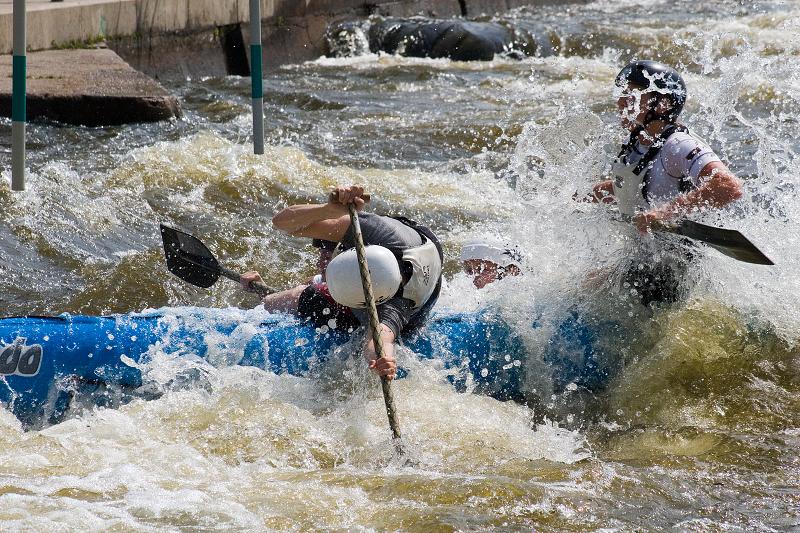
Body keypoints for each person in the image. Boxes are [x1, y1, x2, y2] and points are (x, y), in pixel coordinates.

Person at [240, 184, 444, 380]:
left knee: (281, 301)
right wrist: (327, 210)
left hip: (413, 307)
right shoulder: (376, 230)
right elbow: (281, 223)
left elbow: (379, 340)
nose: (324, 262)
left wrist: (383, 362)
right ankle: (273, 289)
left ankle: (268, 295)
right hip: (412, 249)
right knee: (317, 275)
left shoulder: (393, 308)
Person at [589, 60, 743, 305]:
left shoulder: (678, 145)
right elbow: (646, 186)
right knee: (582, 290)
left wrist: (667, 212)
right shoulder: (638, 143)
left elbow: (727, 186)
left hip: (677, 269)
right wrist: (597, 193)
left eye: (632, 95)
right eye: (622, 94)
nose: (620, 103)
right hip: (645, 258)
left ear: (663, 104)